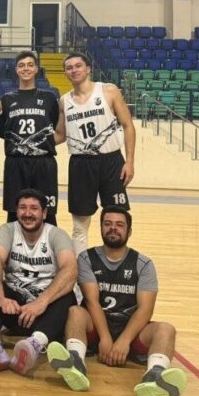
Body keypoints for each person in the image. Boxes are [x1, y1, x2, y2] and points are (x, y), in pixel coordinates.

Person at [46, 206, 187, 396]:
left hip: (131, 330)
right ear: (101, 228)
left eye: (119, 225)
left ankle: (154, 377)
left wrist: (124, 342)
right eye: (108, 224)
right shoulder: (86, 258)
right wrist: (105, 338)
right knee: (75, 311)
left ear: (129, 231)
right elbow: (92, 301)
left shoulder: (144, 264)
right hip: (97, 327)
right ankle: (76, 363)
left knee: (166, 329)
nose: (113, 228)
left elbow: (145, 309)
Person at [0, 189, 77, 376]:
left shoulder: (56, 235)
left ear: (44, 213)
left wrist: (41, 302)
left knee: (67, 295)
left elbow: (70, 270)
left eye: (34, 208)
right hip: (14, 309)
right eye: (23, 208)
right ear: (16, 211)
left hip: (44, 315)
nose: (28, 213)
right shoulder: (8, 230)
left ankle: (34, 345)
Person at [56, 52, 136, 254]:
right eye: (69, 68)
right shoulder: (64, 101)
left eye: (78, 66)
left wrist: (129, 162)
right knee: (80, 224)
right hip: (81, 164)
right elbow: (60, 135)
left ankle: (115, 261)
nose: (74, 70)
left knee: (117, 218)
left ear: (88, 69)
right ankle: (80, 267)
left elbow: (128, 125)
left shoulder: (109, 91)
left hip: (111, 162)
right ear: (65, 73)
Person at [0, 51, 60, 226]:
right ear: (16, 70)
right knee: (14, 212)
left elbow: (55, 127)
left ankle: (49, 244)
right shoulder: (6, 99)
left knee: (48, 212)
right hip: (15, 163)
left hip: (43, 163)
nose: (26, 68)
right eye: (21, 65)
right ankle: (14, 244)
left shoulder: (49, 98)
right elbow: (3, 132)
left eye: (30, 65)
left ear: (36, 69)